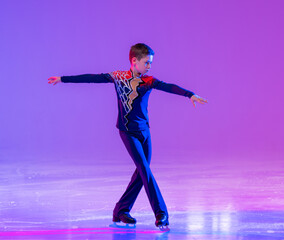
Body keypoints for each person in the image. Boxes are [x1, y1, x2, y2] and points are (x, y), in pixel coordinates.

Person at [48, 43, 208, 229]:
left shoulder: (148, 80)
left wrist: (190, 95)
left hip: (145, 133)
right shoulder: (118, 77)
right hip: (127, 132)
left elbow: (168, 87)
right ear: (134, 61)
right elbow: (92, 78)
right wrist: (63, 79)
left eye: (150, 63)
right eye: (146, 62)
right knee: (145, 171)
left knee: (141, 174)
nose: (149, 66)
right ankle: (161, 214)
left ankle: (121, 210)